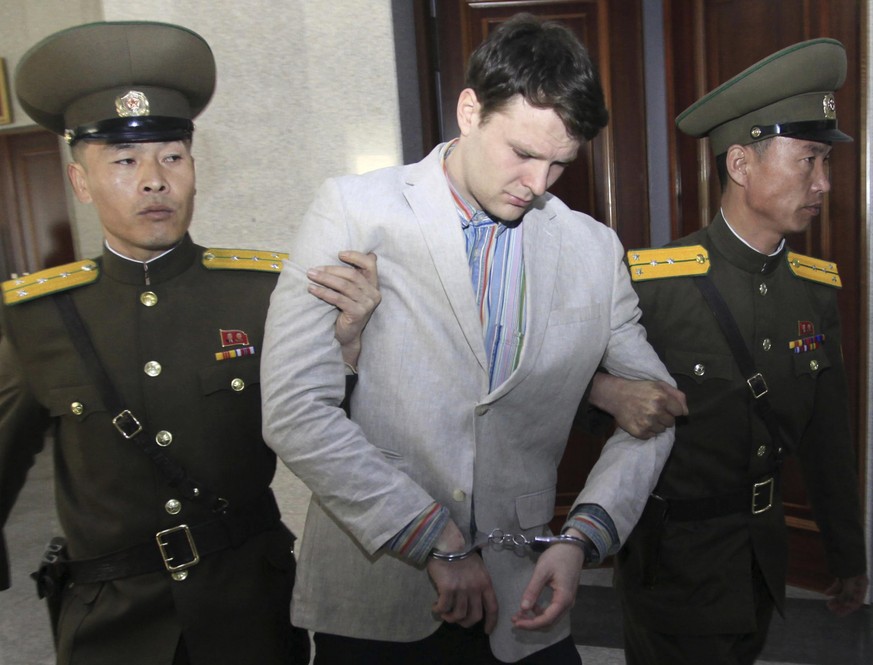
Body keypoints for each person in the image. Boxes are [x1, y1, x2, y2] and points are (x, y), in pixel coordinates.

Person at [260, 13, 682, 664]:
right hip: (378, 592)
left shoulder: (592, 250)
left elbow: (655, 408)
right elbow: (293, 406)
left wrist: (581, 537)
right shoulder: (355, 209)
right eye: (522, 152)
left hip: (524, 598)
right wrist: (434, 536)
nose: (537, 185)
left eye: (558, 163)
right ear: (468, 111)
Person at [0, 21, 380, 665]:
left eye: (172, 156)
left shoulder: (262, 292)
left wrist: (347, 351)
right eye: (124, 161)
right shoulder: (37, 317)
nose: (154, 180)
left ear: (194, 170)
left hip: (248, 611)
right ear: (80, 183)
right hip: (111, 628)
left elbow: (332, 433)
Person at [589, 38, 869, 665]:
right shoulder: (653, 284)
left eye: (827, 162)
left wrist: (847, 555)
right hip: (673, 569)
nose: (823, 183)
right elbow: (568, 398)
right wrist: (605, 393)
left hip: (759, 563)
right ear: (741, 165)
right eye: (809, 160)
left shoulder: (814, 290)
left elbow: (829, 437)